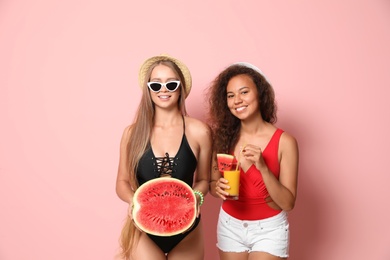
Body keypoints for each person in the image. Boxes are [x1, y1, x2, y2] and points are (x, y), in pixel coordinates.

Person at [116, 54, 212, 260]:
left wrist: (197, 196)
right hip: (142, 229)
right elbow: (122, 182)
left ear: (181, 88)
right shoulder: (132, 133)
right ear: (148, 90)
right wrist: (134, 200)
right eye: (156, 85)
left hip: (188, 230)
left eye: (171, 83)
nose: (164, 90)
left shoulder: (199, 131)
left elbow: (204, 180)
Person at [206, 62, 299, 260]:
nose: (237, 100)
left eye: (244, 92)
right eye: (230, 96)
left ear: (260, 94)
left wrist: (263, 168)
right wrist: (217, 187)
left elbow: (288, 203)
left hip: (269, 228)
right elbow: (212, 184)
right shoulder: (222, 138)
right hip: (229, 225)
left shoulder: (285, 142)